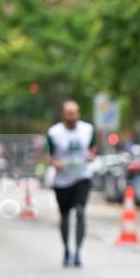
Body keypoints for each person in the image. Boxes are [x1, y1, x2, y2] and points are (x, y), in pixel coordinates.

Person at [46, 101, 97, 267]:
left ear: (78, 113)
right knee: (65, 216)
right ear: (63, 115)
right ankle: (67, 249)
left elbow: (93, 147)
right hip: (62, 181)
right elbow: (49, 154)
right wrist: (54, 163)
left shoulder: (87, 129)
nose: (72, 116)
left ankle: (78, 251)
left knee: (81, 211)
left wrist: (91, 155)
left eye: (74, 113)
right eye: (68, 113)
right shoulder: (54, 133)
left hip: (82, 176)